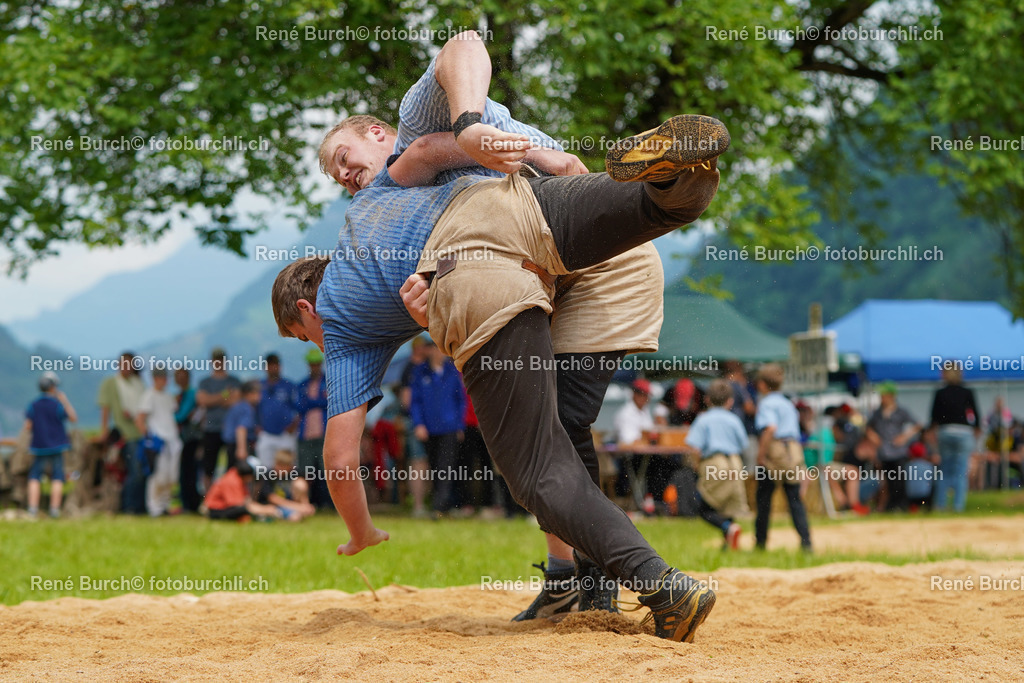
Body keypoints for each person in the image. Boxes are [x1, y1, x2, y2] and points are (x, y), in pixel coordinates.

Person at [272, 100, 725, 642]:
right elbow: (448, 87)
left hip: (480, 260)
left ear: (306, 310)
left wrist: (361, 531)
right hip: (538, 218)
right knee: (656, 211)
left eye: (306, 339)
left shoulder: (342, 322)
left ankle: (662, 586)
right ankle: (681, 175)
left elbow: (340, 457)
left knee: (535, 466)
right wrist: (497, 138)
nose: (316, 349)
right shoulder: (397, 184)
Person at [321, 31, 667, 621]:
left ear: (374, 133)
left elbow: (462, 45)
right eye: (336, 178)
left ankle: (668, 179)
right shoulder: (398, 190)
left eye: (343, 160)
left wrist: (474, 126)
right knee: (561, 427)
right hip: (554, 263)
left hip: (561, 231)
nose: (344, 178)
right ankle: (580, 577)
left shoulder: (414, 126)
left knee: (537, 451)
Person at [753, 364, 812, 552]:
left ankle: (761, 542)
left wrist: (761, 455)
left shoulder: (766, 403)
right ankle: (806, 542)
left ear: (762, 385)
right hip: (793, 449)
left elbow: (770, 428)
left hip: (776, 450)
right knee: (794, 497)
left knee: (763, 497)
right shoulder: (787, 403)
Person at [681, 380, 745, 550]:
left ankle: (727, 528)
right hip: (734, 462)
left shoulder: (704, 419)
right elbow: (743, 444)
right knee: (728, 506)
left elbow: (694, 447)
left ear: (707, 399)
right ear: (730, 401)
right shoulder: (734, 420)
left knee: (702, 506)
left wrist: (695, 465)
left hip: (714, 463)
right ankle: (728, 542)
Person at [408, 340, 466, 516]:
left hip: (449, 427)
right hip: (429, 429)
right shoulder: (419, 372)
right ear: (430, 351)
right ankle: (440, 504)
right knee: (434, 467)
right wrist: (418, 424)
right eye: (435, 349)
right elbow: (415, 402)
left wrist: (459, 425)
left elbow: (460, 401)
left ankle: (440, 506)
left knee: (446, 466)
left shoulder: (452, 372)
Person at [97, 351, 146, 514]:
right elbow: (105, 408)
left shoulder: (138, 383)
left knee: (141, 471)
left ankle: (139, 505)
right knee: (134, 471)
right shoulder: (111, 383)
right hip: (125, 434)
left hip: (142, 433)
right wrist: (104, 431)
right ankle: (128, 506)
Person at [25, 371, 77, 518]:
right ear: (53, 387)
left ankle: (33, 509)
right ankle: (54, 509)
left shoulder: (33, 405)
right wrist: (64, 401)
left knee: (35, 476)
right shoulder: (57, 405)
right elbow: (73, 418)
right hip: (57, 446)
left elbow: (28, 426)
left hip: (38, 446)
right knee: (57, 477)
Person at [929, 366, 980, 512]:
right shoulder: (967, 391)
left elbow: (934, 417)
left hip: (945, 432)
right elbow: (976, 415)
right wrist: (975, 433)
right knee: (960, 470)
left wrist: (932, 433)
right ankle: (958, 506)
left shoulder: (940, 392)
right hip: (963, 432)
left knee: (945, 470)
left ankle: (941, 505)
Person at [865, 382, 921, 512]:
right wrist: (873, 437)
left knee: (900, 480)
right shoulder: (877, 413)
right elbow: (868, 428)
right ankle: (890, 506)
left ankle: (902, 505)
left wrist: (904, 437)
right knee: (887, 481)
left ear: (891, 396)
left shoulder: (901, 411)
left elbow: (917, 424)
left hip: (898, 451)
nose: (881, 398)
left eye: (884, 395)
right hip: (884, 451)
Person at [135, 368, 183, 517]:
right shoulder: (149, 395)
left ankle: (166, 504)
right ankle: (154, 507)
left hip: (172, 440)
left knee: (171, 476)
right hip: (158, 441)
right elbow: (140, 419)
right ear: (155, 379)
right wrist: (149, 438)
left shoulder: (168, 396)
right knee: (157, 475)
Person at [196, 347, 242, 488]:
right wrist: (224, 395)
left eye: (221, 360)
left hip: (230, 429)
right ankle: (209, 498)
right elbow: (202, 401)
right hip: (211, 429)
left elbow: (236, 400)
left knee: (232, 467)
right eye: (216, 360)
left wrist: (213, 399)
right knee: (209, 467)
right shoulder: (205, 382)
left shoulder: (234, 381)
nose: (219, 363)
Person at [296, 347, 330, 508]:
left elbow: (328, 403)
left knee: (327, 471)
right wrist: (316, 402)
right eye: (312, 364)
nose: (314, 367)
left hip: (324, 433)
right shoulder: (302, 384)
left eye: (316, 364)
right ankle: (307, 503)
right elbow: (300, 405)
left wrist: (312, 402)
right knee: (307, 471)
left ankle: (329, 504)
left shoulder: (328, 382)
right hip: (306, 435)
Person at [255, 353, 299, 470]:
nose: (273, 368)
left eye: (275, 365)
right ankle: (267, 489)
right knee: (265, 470)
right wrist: (257, 427)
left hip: (285, 434)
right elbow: (253, 408)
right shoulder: (260, 386)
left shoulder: (288, 386)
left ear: (279, 366)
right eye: (270, 365)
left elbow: (299, 409)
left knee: (288, 468)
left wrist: (293, 426)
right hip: (266, 434)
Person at [205, 459, 281, 521]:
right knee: (243, 510)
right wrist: (265, 510)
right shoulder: (232, 481)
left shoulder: (237, 477)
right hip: (215, 510)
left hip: (226, 507)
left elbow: (246, 500)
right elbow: (239, 504)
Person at [254, 450, 316, 522]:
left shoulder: (296, 473)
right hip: (273, 506)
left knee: (300, 483)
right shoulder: (267, 475)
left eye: (282, 467)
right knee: (294, 517)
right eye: (278, 465)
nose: (279, 469)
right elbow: (272, 498)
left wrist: (305, 506)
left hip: (290, 505)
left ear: (290, 467)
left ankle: (304, 510)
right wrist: (298, 507)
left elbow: (303, 489)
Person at [174, 368, 203, 513]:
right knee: (186, 473)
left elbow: (181, 416)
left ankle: (191, 505)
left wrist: (168, 416)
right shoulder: (181, 395)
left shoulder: (191, 394)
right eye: (177, 376)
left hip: (192, 439)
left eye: (182, 376)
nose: (180, 379)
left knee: (189, 473)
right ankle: (187, 503)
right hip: (185, 439)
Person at [222, 380, 261, 466]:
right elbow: (241, 429)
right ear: (248, 394)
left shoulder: (238, 405)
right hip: (239, 444)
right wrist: (241, 449)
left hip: (232, 444)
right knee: (240, 473)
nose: (259, 396)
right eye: (256, 393)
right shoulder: (246, 408)